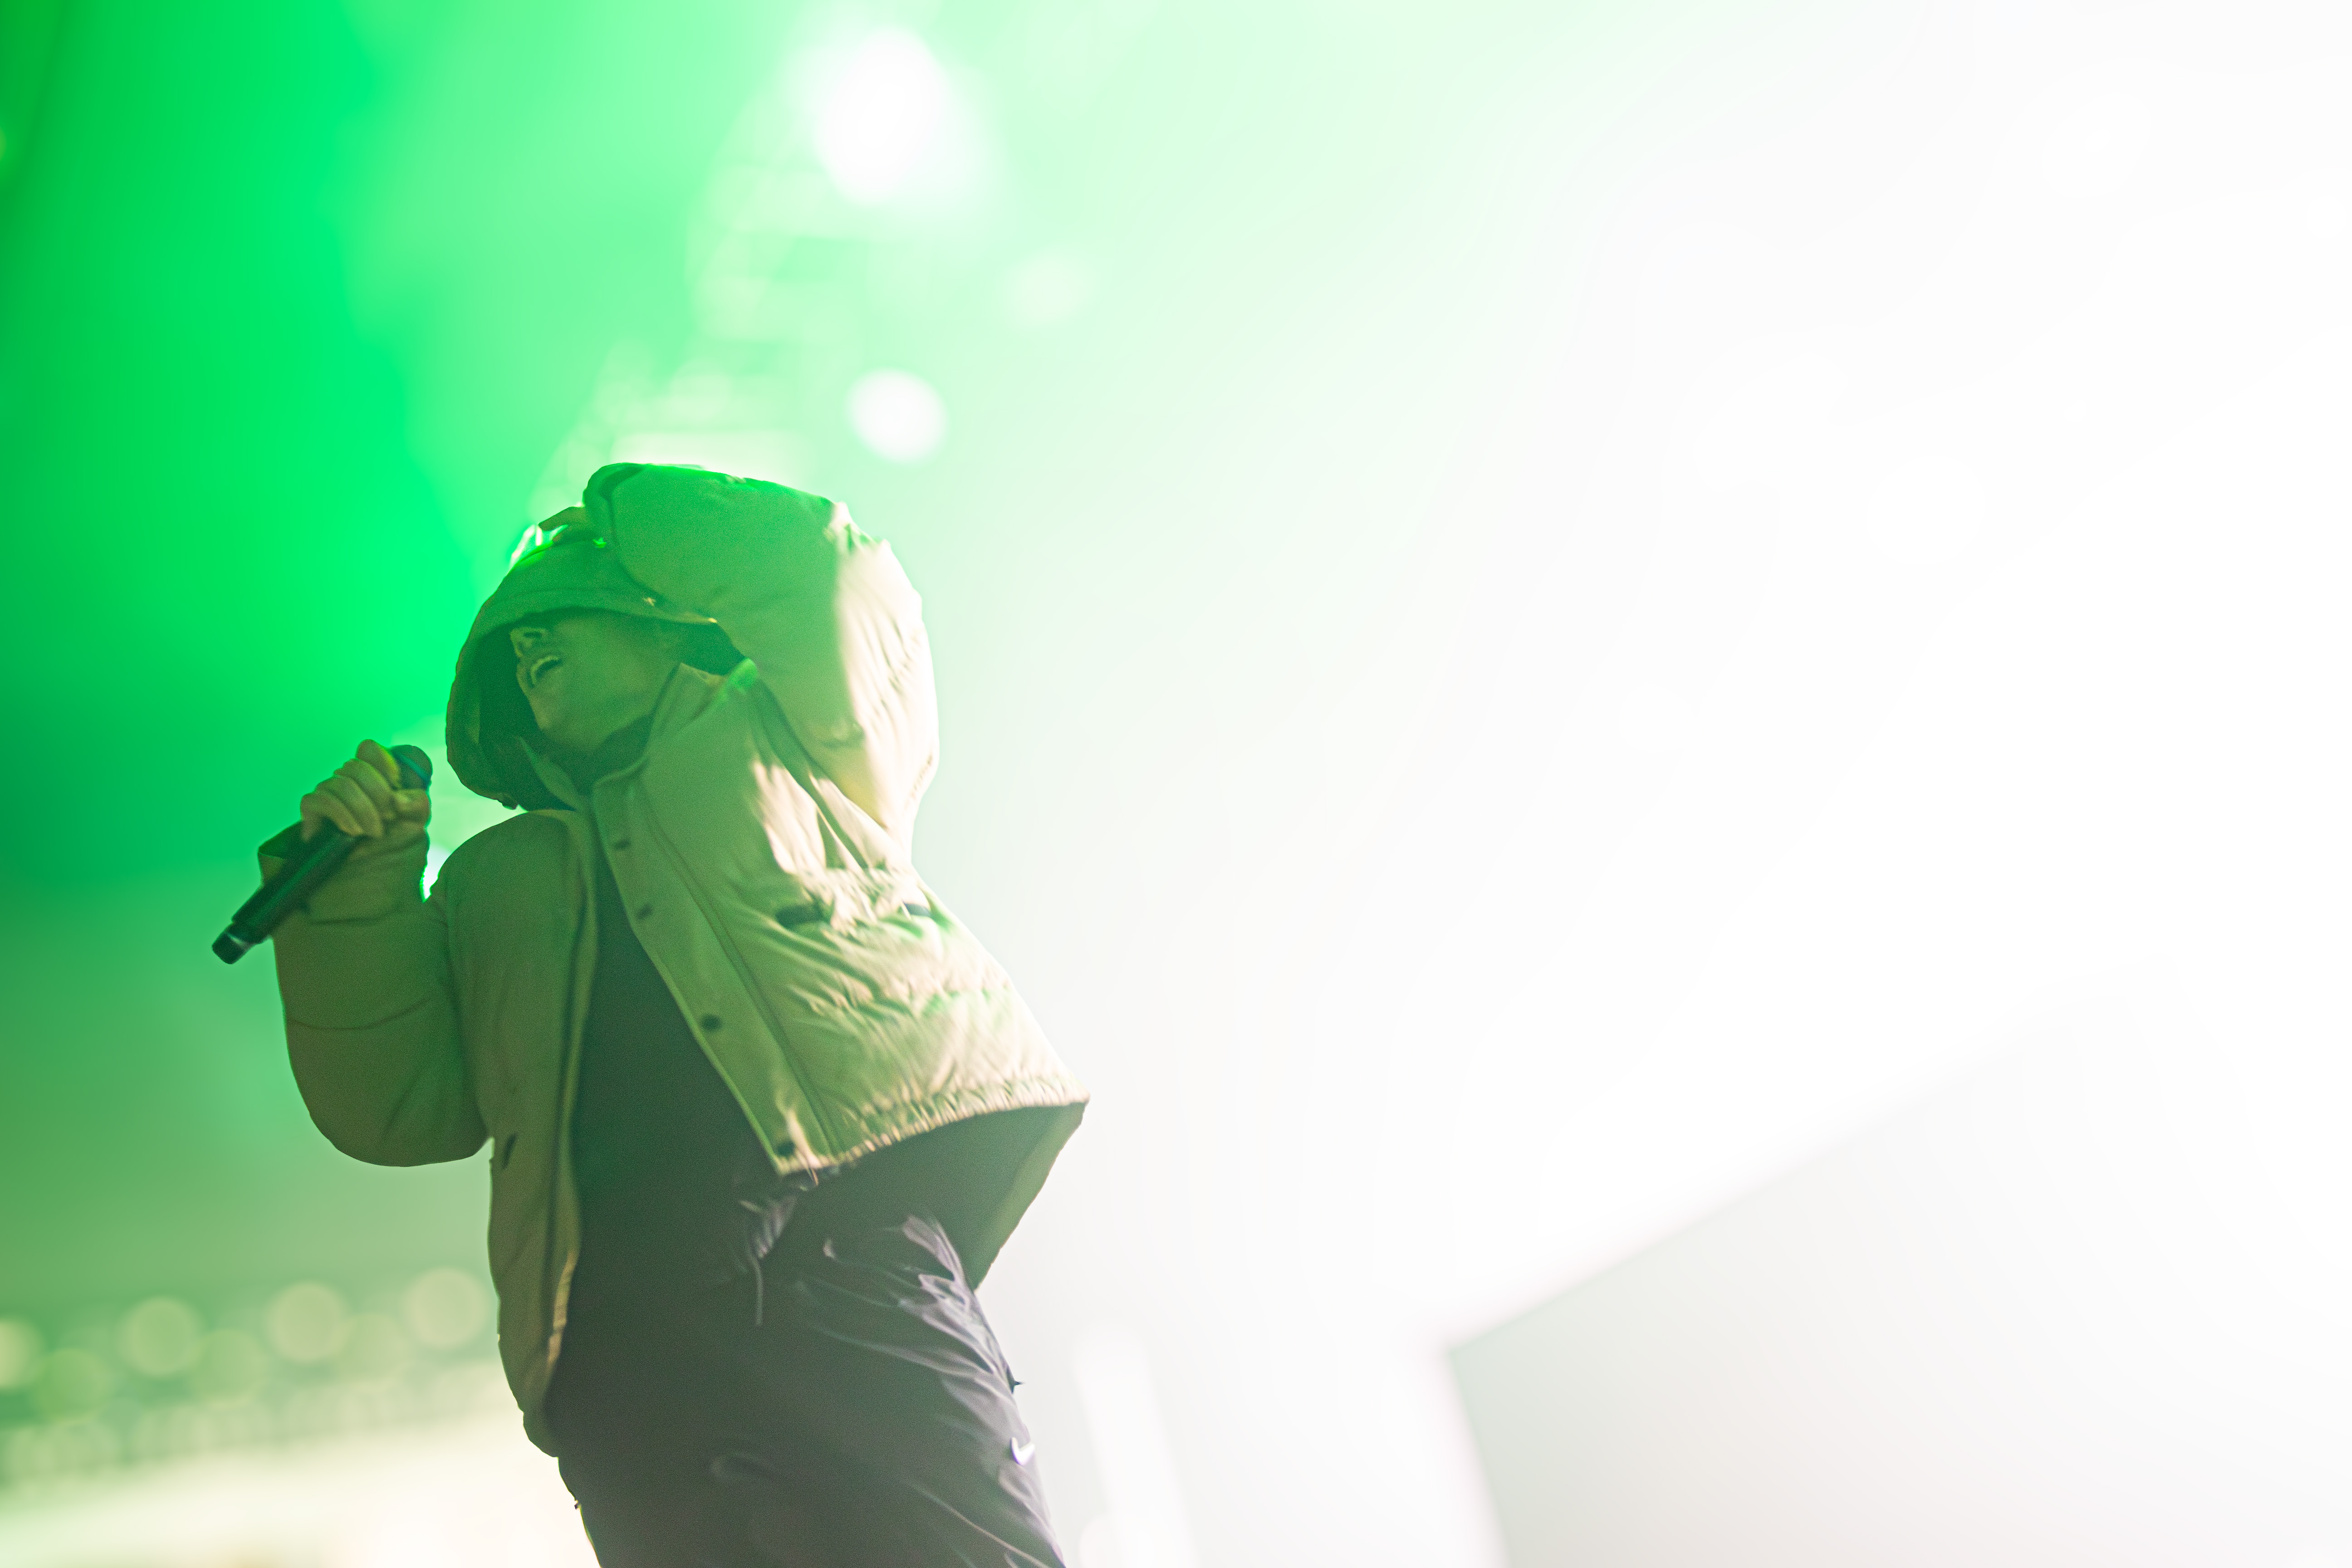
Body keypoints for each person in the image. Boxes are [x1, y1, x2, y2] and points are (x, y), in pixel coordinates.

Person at [261, 462, 1088, 1566]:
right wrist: (360, 892)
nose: (527, 645)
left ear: (659, 621)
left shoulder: (793, 739)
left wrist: (616, 505)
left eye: (555, 614)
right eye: (511, 647)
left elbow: (823, 575)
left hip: (842, 1256)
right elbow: (394, 1105)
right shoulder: (489, 882)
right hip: (620, 1345)